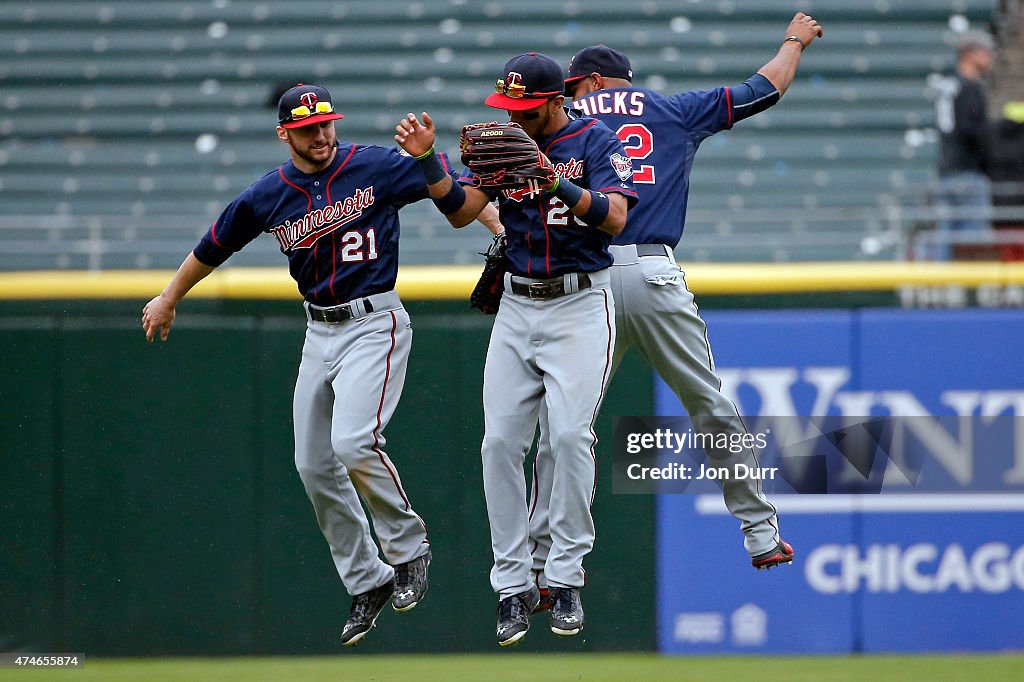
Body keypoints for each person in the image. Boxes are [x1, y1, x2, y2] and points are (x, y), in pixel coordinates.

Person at [525, 13, 824, 610]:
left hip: (584, 281)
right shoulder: (671, 108)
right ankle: (760, 532)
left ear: (582, 85)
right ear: (624, 82)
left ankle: (544, 564)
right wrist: (794, 38)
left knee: (563, 428)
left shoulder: (557, 122)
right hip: (654, 273)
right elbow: (766, 88)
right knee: (711, 404)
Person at [141, 83, 437, 647]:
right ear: (285, 134)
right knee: (312, 462)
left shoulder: (373, 165)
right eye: (307, 129)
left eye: (325, 123)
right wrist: (170, 294)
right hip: (318, 328)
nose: (320, 134)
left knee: (354, 443)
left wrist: (494, 220)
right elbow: (215, 243)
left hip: (375, 320)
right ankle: (367, 579)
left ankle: (408, 548)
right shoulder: (270, 193)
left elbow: (445, 181)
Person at [394, 52, 637, 646]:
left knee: (571, 438)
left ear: (557, 100)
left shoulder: (596, 139)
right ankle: (511, 586)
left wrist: (556, 180)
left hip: (582, 303)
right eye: (509, 107)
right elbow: (461, 213)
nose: (514, 118)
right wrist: (430, 161)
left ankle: (565, 578)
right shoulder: (503, 147)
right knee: (500, 442)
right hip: (519, 304)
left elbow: (618, 218)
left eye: (525, 108)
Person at [930, 29, 997, 260]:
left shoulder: (950, 86)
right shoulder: (970, 88)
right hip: (968, 172)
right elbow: (974, 132)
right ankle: (966, 293)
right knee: (972, 242)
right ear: (968, 54)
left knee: (945, 240)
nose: (990, 56)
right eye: (985, 51)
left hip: (947, 171)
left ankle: (941, 291)